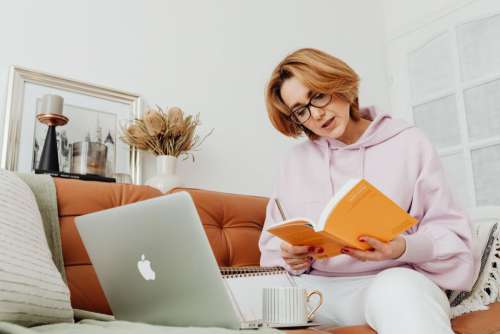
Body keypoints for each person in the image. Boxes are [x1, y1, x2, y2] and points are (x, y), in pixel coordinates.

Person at [259, 48, 474, 334]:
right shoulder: (295, 160)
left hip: (384, 280)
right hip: (313, 290)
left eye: (318, 95)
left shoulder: (409, 143)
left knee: (400, 291)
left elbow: (452, 237)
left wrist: (401, 247)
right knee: (256, 300)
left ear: (340, 85)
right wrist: (292, 255)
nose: (317, 113)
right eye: (301, 110)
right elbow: (273, 247)